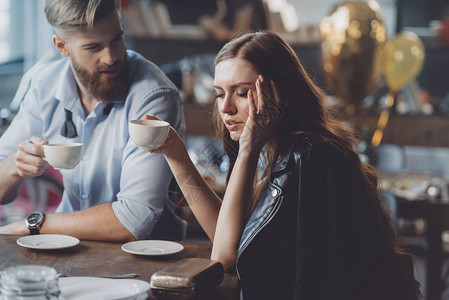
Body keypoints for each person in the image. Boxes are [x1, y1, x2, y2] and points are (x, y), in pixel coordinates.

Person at [144, 31, 420, 299]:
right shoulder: (277, 150)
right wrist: (175, 153)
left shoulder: (309, 157)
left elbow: (226, 255)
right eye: (219, 93)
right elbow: (228, 234)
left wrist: (249, 148)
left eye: (241, 92)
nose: (226, 107)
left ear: (283, 93)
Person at [0, 0, 186, 242]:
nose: (110, 58)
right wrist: (16, 165)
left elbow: (134, 219)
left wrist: (35, 225)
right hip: (65, 246)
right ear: (61, 46)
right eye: (93, 47)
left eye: (117, 39)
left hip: (146, 256)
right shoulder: (44, 83)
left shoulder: (154, 97)